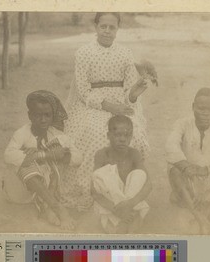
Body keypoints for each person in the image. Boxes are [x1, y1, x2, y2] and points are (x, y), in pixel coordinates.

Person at [62, 12, 155, 210]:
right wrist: (109, 106)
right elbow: (83, 91)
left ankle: (126, 191)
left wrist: (133, 95)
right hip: (92, 104)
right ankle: (94, 193)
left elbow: (129, 89)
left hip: (121, 103)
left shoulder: (125, 53)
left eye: (111, 27)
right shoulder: (83, 52)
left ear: (117, 29)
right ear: (96, 27)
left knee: (133, 133)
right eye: (103, 26)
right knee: (96, 134)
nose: (107, 31)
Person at [4, 90, 83, 231]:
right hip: (20, 191)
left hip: (47, 191)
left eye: (47, 115)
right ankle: (58, 208)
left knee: (58, 149)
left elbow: (78, 158)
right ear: (30, 115)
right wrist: (44, 155)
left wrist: (61, 155)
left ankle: (47, 207)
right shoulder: (22, 133)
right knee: (25, 163)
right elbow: (8, 155)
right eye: (38, 115)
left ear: (52, 116)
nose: (43, 120)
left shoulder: (57, 135)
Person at [165, 88, 210, 234]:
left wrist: (207, 169)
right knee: (174, 169)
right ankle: (201, 218)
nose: (205, 113)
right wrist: (188, 168)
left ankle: (204, 213)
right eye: (201, 108)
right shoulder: (182, 124)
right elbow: (171, 147)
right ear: (193, 106)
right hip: (189, 182)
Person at [91, 115, 152, 233]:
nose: (122, 139)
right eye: (118, 135)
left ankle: (129, 219)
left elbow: (148, 184)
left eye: (126, 135)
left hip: (130, 202)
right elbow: (94, 190)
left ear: (131, 137)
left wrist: (129, 204)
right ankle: (122, 222)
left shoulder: (134, 154)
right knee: (101, 175)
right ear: (109, 136)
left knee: (140, 174)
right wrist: (116, 210)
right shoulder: (102, 155)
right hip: (110, 203)